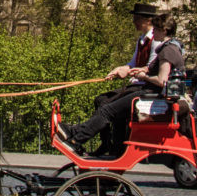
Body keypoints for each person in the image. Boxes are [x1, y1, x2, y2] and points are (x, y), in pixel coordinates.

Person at [57, 13, 184, 154]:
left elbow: (162, 80)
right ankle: (103, 143)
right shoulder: (170, 47)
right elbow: (152, 69)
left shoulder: (167, 50)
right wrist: (137, 70)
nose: (153, 32)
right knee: (107, 106)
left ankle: (76, 139)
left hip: (151, 94)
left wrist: (144, 76)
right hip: (151, 92)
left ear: (165, 30)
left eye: (156, 29)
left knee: (107, 110)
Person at [87, 2, 160, 154]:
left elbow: (150, 67)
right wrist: (120, 69)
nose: (134, 22)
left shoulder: (155, 41)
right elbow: (132, 63)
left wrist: (129, 72)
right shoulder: (141, 40)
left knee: (107, 105)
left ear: (147, 20)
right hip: (136, 84)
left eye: (137, 18)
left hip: (144, 87)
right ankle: (108, 143)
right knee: (100, 100)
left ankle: (116, 146)